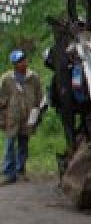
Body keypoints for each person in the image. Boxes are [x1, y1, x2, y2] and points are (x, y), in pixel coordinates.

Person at [0, 49, 44, 185]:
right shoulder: (7, 79)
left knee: (23, 144)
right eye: (19, 62)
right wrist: (2, 118)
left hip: (28, 116)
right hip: (12, 116)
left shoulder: (33, 77)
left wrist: (37, 115)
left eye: (24, 60)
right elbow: (1, 100)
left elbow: (39, 98)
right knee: (9, 144)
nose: (23, 63)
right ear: (14, 64)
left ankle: (20, 171)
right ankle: (8, 172)